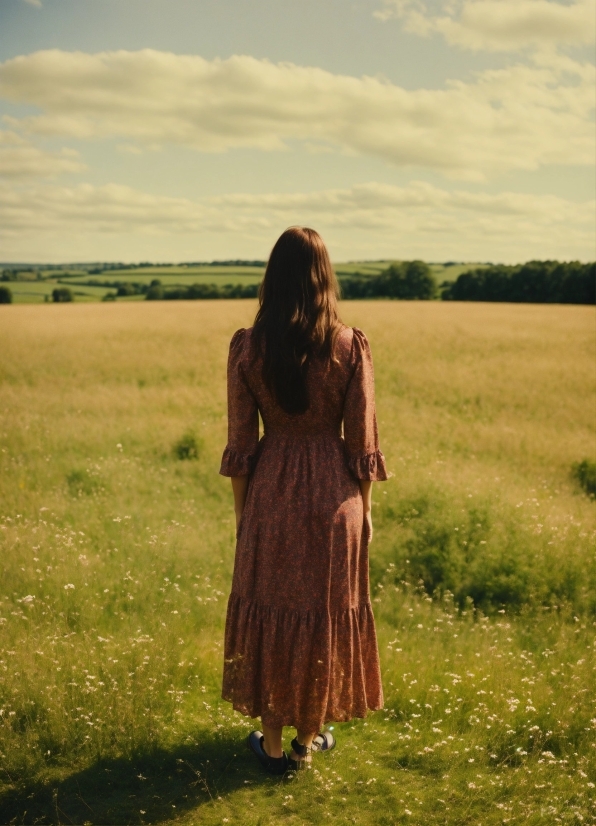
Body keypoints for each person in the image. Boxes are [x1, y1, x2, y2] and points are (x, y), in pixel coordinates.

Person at [219, 227, 388, 774]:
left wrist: (245, 516)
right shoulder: (348, 344)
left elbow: (241, 443)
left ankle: (271, 746)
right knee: (321, 613)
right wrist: (365, 512)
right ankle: (306, 742)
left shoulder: (249, 346)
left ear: (274, 276)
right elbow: (363, 441)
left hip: (271, 490)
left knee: (271, 611)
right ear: (324, 276)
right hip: (335, 498)